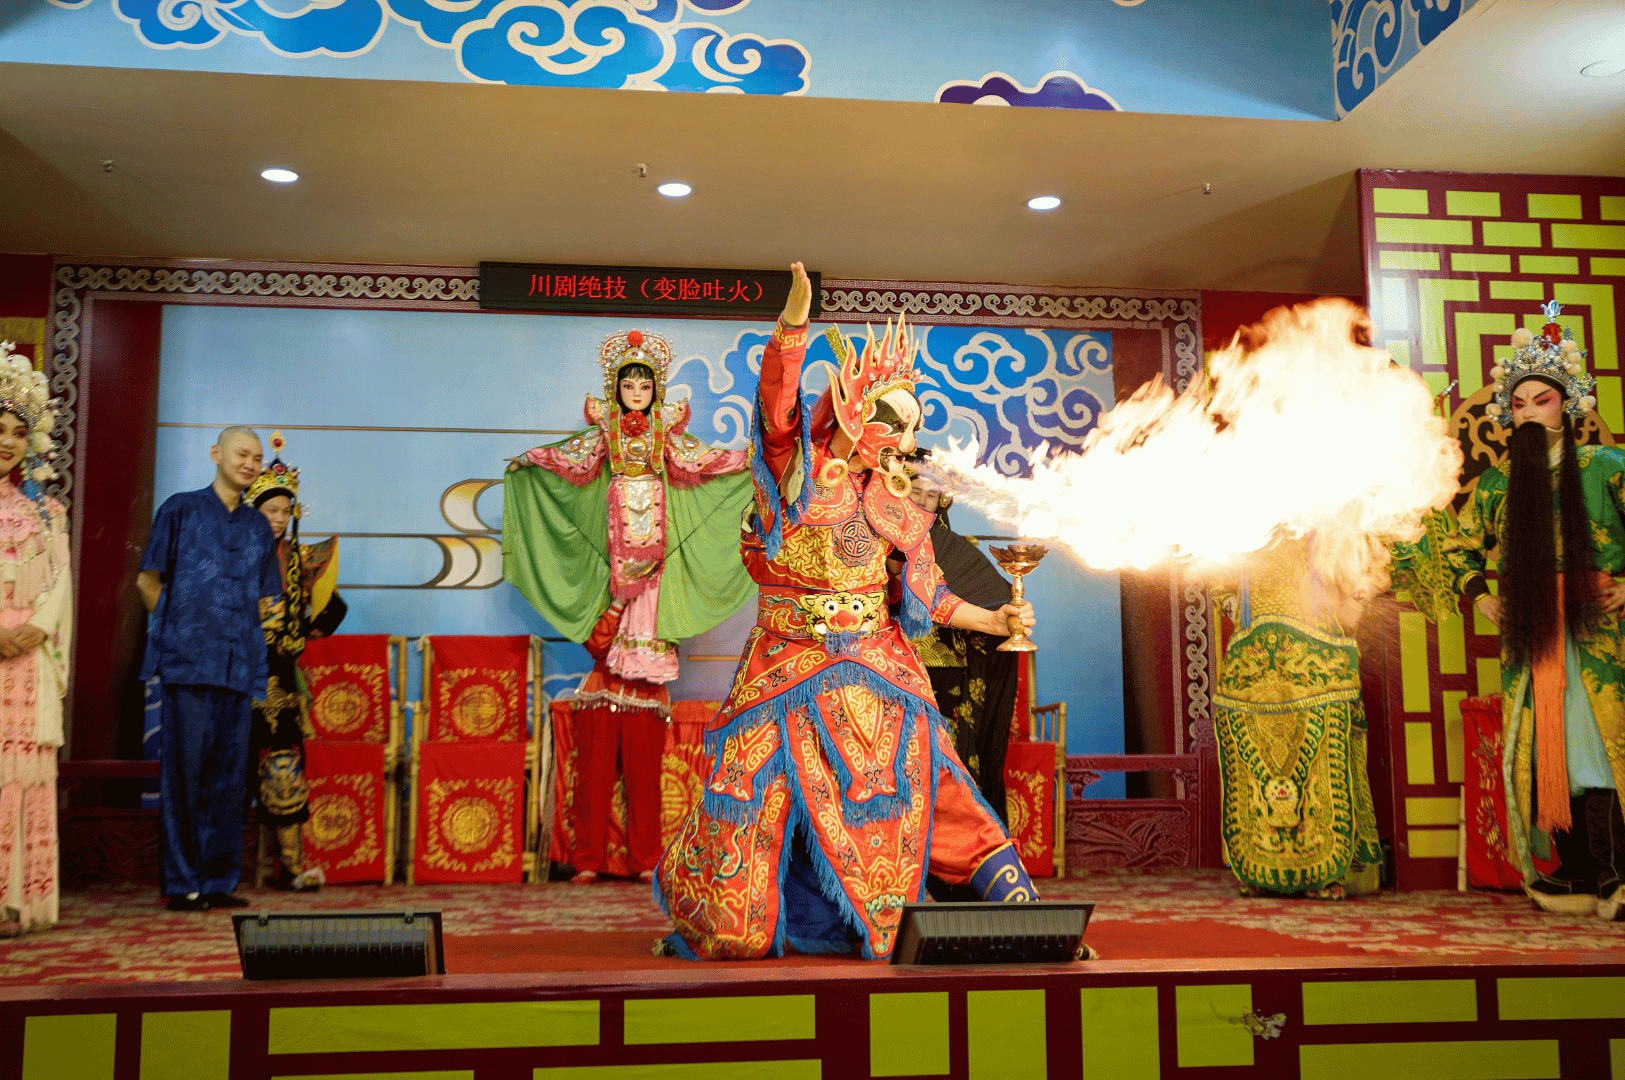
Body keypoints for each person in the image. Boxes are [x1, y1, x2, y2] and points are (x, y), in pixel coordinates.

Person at [654, 262, 1040, 961]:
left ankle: (1028, 913)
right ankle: (744, 918)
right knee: (746, 796)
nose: (900, 435)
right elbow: (775, 409)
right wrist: (793, 328)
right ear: (854, 408)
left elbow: (929, 593)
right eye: (890, 418)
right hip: (785, 664)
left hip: (876, 660)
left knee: (933, 777)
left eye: (910, 424)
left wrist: (994, 622)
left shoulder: (898, 502)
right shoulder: (793, 476)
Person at [1395, 304, 1625, 919]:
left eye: (1540, 400)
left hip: (1603, 635)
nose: (1528, 411)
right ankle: (1574, 870)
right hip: (1532, 634)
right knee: (1549, 750)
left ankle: (1615, 873)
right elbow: (1454, 544)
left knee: (1600, 745)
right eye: (1519, 403)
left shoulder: (1609, 468)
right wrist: (1481, 594)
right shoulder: (1499, 484)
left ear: (1567, 406)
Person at [504, 329, 753, 883]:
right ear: (615, 389)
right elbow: (565, 459)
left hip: (658, 560)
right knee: (604, 669)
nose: (636, 389)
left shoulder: (667, 432)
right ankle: (588, 858)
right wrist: (529, 462)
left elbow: (707, 461)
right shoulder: (604, 433)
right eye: (628, 382)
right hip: (614, 560)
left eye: (645, 382)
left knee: (643, 761)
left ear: (655, 389)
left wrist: (750, 461)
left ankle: (644, 859)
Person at [138, 426, 282, 911]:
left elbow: (268, 599)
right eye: (242, 453)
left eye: (257, 458)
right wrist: (177, 628)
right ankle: (182, 883)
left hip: (239, 666)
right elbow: (147, 581)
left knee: (230, 779)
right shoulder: (179, 508)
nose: (249, 463)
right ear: (216, 453)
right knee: (184, 777)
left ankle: (218, 880)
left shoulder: (258, 526)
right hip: (188, 663)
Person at [1210, 536, 1383, 900]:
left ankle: (1327, 872)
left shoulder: (1318, 505)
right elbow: (1218, 567)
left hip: (1316, 645)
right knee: (1256, 755)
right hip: (1257, 649)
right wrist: (1227, 596)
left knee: (1324, 752)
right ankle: (1264, 869)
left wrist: (1357, 588)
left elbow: (1351, 558)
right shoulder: (1244, 516)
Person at [244, 432, 346, 891]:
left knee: (284, 768)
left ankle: (291, 866)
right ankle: (215, 869)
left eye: (286, 511)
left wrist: (302, 633)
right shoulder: (236, 556)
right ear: (253, 511)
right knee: (229, 771)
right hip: (237, 672)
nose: (280, 519)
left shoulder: (300, 560)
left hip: (281, 681)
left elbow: (334, 607)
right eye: (271, 511)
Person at [899, 458, 1018, 824]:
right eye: (913, 491)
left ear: (942, 502)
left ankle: (961, 863)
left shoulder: (953, 548)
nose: (920, 501)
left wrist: (999, 620)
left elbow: (988, 599)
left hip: (944, 681)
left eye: (931, 495)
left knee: (948, 770)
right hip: (890, 671)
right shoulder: (873, 541)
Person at [0, 343, 70, 937]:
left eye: (18, 431)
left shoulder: (46, 511)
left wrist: (33, 630)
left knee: (21, 779)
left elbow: (58, 582)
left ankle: (19, 901)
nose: (8, 441)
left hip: (24, 660)